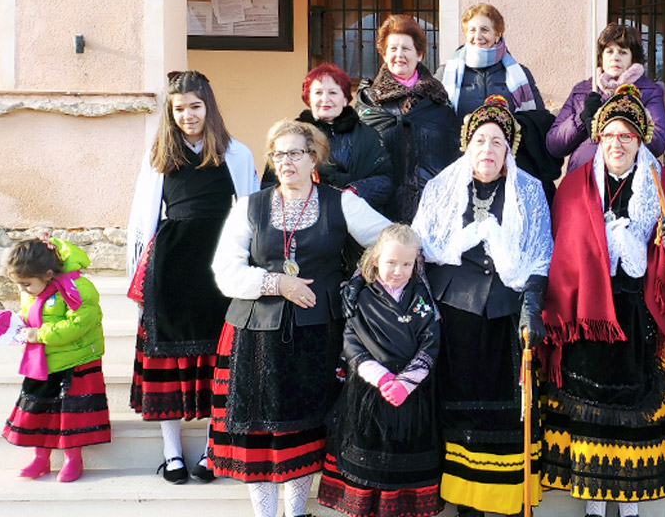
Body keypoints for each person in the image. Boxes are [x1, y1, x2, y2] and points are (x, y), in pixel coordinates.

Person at [209, 119, 389, 517]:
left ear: (314, 158)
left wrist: (356, 282)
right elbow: (225, 270)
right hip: (254, 333)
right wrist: (277, 283)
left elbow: (389, 242)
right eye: (278, 153)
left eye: (295, 152)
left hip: (316, 333)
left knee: (302, 430)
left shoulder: (340, 202)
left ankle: (294, 513)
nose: (286, 161)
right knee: (257, 432)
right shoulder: (250, 207)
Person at [541, 84, 665, 516]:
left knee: (635, 411)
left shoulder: (661, 184)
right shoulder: (573, 187)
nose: (617, 143)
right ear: (598, 140)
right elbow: (563, 248)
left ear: (640, 141)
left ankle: (631, 506)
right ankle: (593, 504)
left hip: (640, 312)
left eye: (627, 136)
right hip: (589, 316)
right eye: (609, 135)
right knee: (592, 412)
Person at [412, 95, 552, 516]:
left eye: (497, 142)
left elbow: (540, 256)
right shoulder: (441, 191)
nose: (487, 150)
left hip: (507, 316)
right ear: (466, 147)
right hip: (454, 315)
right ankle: (466, 503)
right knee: (460, 410)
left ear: (508, 151)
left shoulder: (529, 193)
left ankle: (506, 499)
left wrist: (532, 305)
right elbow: (420, 252)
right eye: (480, 141)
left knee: (506, 411)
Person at [126, 70, 259, 484]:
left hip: (220, 266)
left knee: (218, 360)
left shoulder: (236, 153)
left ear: (209, 107)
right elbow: (141, 219)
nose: (188, 115)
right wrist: (138, 276)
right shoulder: (159, 157)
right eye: (179, 108)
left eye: (195, 106)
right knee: (171, 357)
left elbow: (252, 210)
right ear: (171, 110)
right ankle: (171, 453)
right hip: (171, 265)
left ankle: (210, 450)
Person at [317, 224, 443, 517]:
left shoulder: (421, 299)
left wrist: (406, 382)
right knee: (371, 467)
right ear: (375, 260)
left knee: (403, 469)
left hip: (410, 398)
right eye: (390, 262)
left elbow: (431, 342)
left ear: (416, 264)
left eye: (406, 264)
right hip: (368, 395)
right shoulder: (361, 298)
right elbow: (351, 342)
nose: (398, 271)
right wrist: (379, 376)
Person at [0, 237, 109, 483]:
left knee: (71, 413)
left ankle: (73, 459)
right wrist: (18, 326)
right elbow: (31, 315)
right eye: (19, 285)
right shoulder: (31, 291)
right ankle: (40, 458)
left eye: (26, 284)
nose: (23, 290)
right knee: (39, 410)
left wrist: (40, 334)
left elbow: (79, 323)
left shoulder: (78, 288)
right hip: (42, 361)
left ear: (47, 273)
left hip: (76, 360)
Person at [438, 3, 561, 202]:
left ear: (498, 34)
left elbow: (537, 120)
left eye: (485, 29)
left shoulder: (520, 73)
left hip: (509, 172)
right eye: (472, 30)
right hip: (461, 168)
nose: (478, 36)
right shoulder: (446, 73)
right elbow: (437, 121)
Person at [356, 14, 460, 222]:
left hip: (431, 212)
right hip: (380, 212)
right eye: (392, 49)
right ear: (384, 54)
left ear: (419, 54)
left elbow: (452, 161)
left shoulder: (439, 102)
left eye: (406, 48)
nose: (399, 55)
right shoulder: (369, 101)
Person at [261, 62, 393, 211]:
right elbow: (270, 185)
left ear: (345, 99)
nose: (325, 99)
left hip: (353, 216)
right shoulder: (288, 137)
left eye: (333, 92)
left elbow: (384, 180)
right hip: (303, 219)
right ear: (308, 99)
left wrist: (354, 191)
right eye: (318, 93)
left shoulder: (368, 136)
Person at [547, 22, 665, 173]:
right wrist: (581, 119)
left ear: (633, 58)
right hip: (583, 180)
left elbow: (657, 142)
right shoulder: (582, 90)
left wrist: (624, 121)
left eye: (623, 52)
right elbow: (554, 145)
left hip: (628, 181)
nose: (615, 57)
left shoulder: (648, 92)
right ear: (601, 57)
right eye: (609, 51)